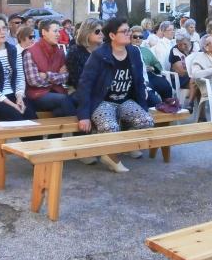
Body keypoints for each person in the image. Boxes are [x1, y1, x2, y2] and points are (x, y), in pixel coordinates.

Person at [77, 18, 155, 173]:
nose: (129, 34)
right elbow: (85, 85)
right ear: (112, 36)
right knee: (110, 127)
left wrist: (143, 107)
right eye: (124, 31)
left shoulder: (134, 52)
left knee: (146, 121)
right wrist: (84, 116)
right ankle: (112, 158)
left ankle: (124, 146)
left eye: (129, 30)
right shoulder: (99, 55)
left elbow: (139, 82)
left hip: (125, 100)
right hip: (102, 102)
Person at [23, 20, 77, 117]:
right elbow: (33, 81)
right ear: (44, 32)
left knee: (62, 109)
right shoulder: (30, 52)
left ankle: (59, 126)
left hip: (57, 92)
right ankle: (80, 125)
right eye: (55, 31)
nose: (58, 34)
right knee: (64, 100)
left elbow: (66, 77)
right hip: (37, 95)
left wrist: (47, 75)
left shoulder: (60, 52)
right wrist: (57, 78)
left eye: (59, 31)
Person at [131, 25, 174, 102]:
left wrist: (152, 68)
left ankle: (167, 105)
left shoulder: (146, 50)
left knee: (165, 86)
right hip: (137, 77)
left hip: (150, 75)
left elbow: (157, 64)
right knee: (152, 98)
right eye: (135, 37)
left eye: (140, 37)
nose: (138, 38)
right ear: (130, 38)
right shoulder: (127, 50)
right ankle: (155, 105)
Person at [67, 18, 104, 96]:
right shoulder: (75, 52)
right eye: (97, 31)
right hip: (82, 93)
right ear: (87, 33)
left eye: (102, 31)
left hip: (103, 92)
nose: (101, 33)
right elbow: (77, 81)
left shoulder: (104, 51)